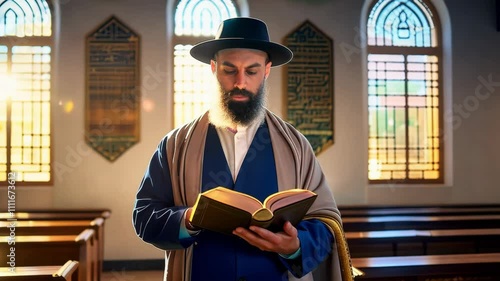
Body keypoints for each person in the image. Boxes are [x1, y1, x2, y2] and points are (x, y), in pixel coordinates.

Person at [133, 17, 353, 281]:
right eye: (229, 70)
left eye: (251, 71)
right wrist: (189, 219)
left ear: (267, 70)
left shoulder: (296, 146)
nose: (240, 82)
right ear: (213, 68)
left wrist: (295, 246)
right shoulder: (175, 146)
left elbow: (326, 222)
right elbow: (145, 216)